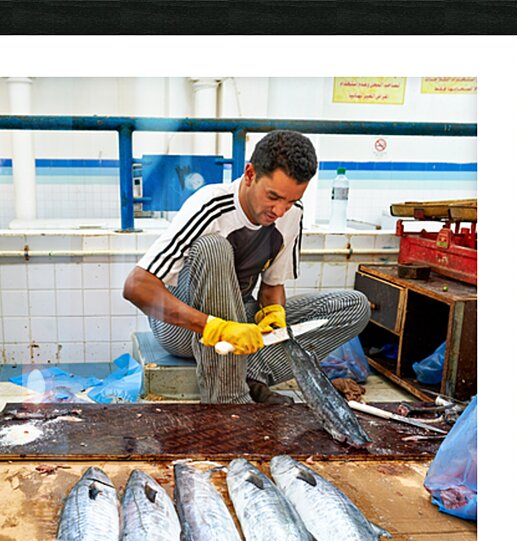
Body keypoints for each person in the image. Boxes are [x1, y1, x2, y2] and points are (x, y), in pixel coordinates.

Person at [123, 130, 370, 404]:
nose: (279, 210)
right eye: (273, 197)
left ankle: (253, 375)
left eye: (289, 200)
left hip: (240, 315)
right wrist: (215, 327)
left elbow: (272, 286)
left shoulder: (291, 214)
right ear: (250, 174)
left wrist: (273, 312)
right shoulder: (211, 206)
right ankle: (229, 398)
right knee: (213, 248)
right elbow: (137, 286)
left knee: (354, 306)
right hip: (187, 328)